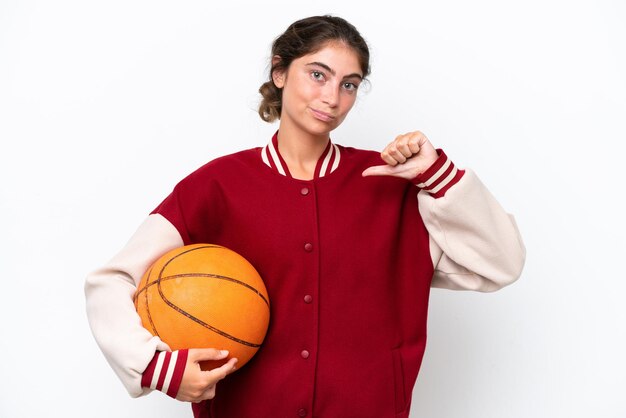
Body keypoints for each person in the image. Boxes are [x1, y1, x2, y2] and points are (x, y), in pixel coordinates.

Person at [85, 15, 525, 418]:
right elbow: (111, 281)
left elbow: (502, 263)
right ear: (279, 72)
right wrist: (156, 366)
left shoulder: (393, 185)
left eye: (349, 84)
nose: (332, 97)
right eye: (318, 75)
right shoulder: (216, 186)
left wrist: (437, 176)